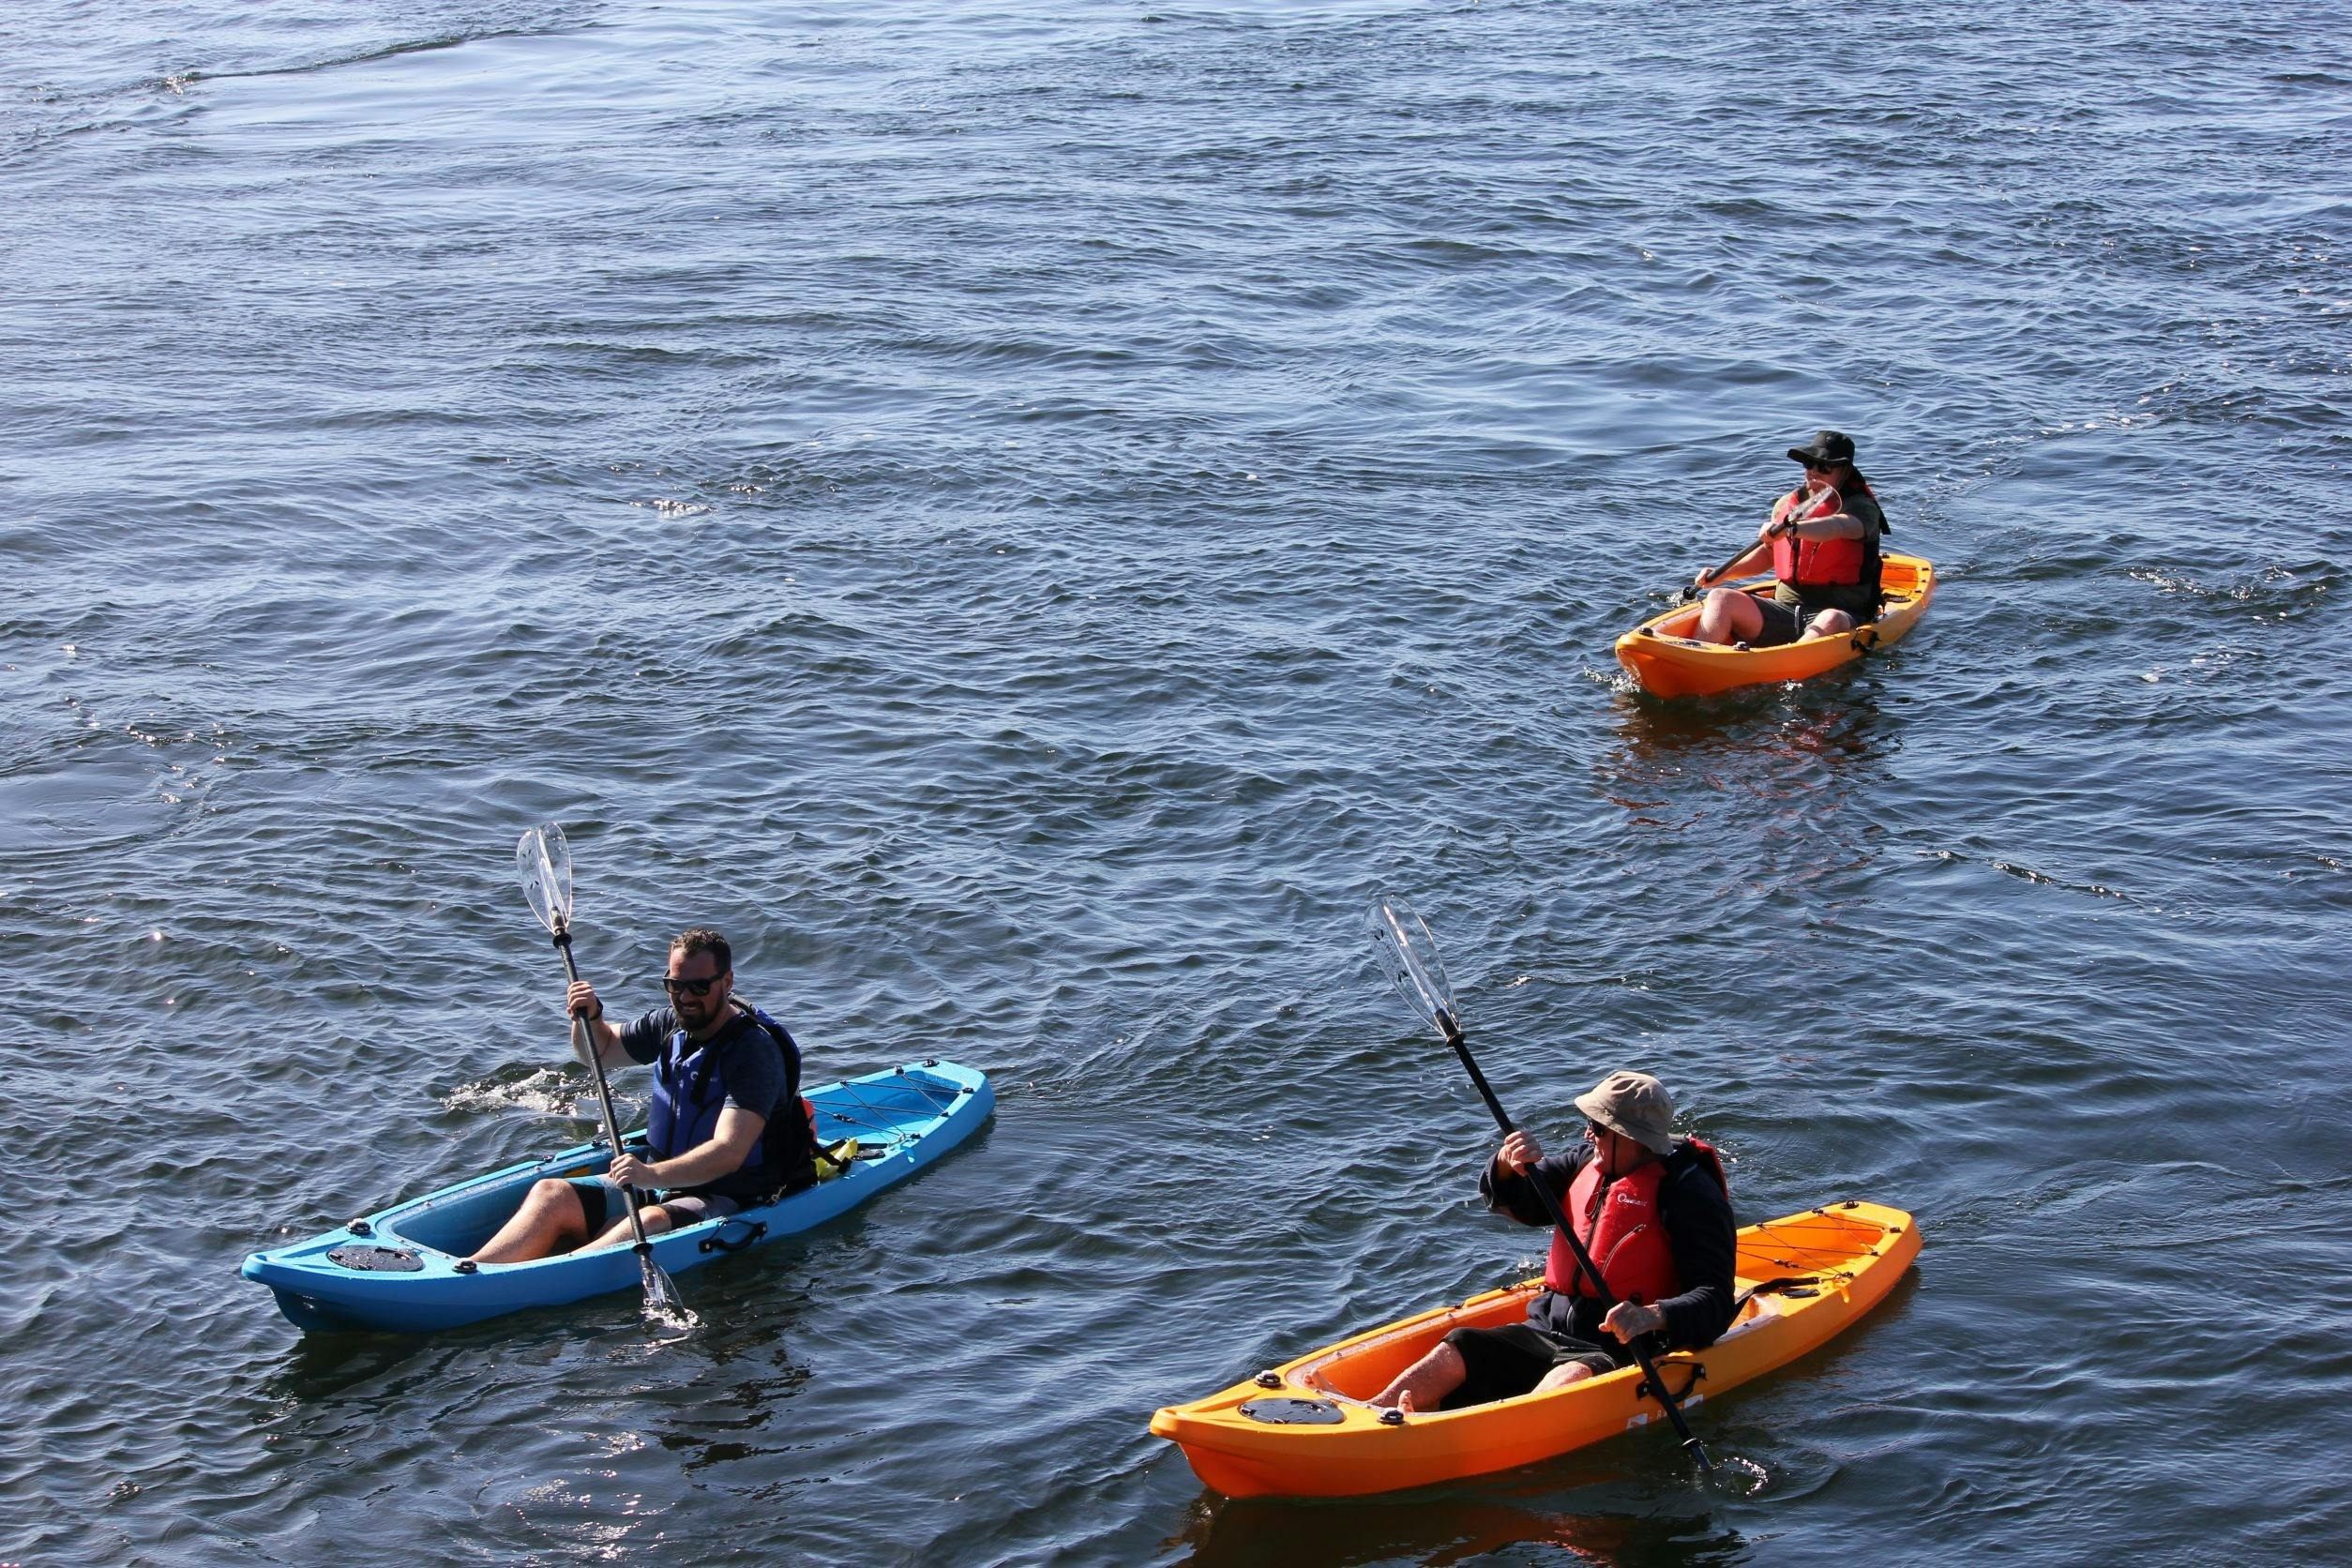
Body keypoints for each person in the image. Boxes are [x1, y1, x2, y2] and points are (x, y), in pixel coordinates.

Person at [1368, 1071, 1735, 1412]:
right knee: (1460, 1344)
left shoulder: (1689, 1194)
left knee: (1568, 1376)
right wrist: (1508, 1165)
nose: (1587, 1134)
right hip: (1546, 1328)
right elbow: (1523, 1200)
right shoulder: (1584, 1162)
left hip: (1617, 1346)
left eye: (1597, 1127)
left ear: (1631, 1138)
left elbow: (1716, 1298)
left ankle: (1498, 1432)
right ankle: (1378, 1412)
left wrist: (1648, 1316)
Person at [467, 927, 818, 1263]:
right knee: (551, 1193)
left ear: (727, 982)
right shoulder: (668, 1024)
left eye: (699, 986)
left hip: (728, 1194)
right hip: (659, 1180)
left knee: (649, 1220)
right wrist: (590, 1017)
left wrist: (650, 1176)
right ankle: (473, 1269)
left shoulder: (753, 1053)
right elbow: (599, 1051)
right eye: (675, 985)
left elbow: (729, 1153)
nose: (685, 998)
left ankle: (550, 1274)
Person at [1690, 430, 1890, 647]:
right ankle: (1696, 656)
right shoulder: (1787, 505)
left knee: (1830, 618)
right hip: (1784, 608)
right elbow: (1769, 555)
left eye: (1825, 466)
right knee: (1720, 597)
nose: (1814, 472)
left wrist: (1791, 529)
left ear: (1845, 471)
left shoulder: (1862, 508)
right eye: (1809, 464)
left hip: (1843, 613)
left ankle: (1789, 662)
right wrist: (1723, 574)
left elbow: (1838, 526)